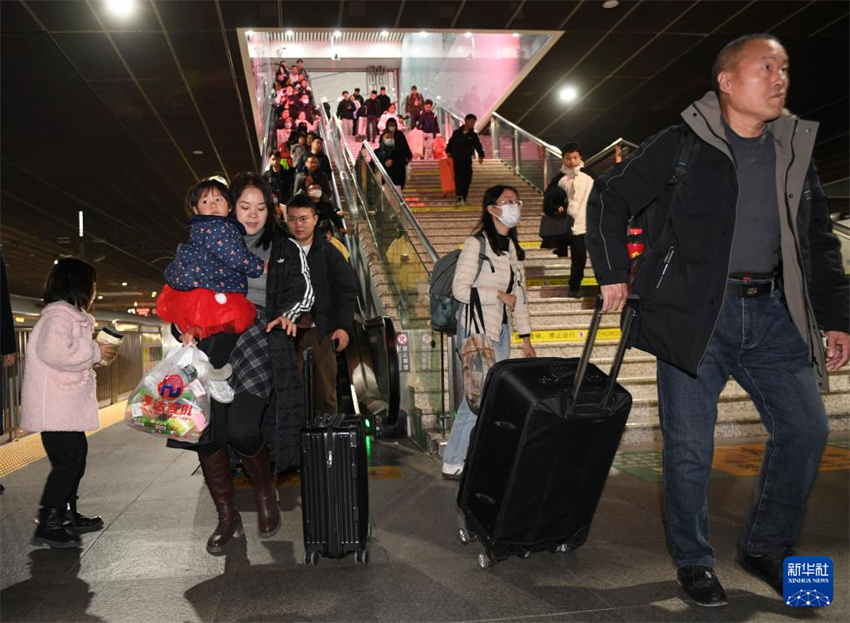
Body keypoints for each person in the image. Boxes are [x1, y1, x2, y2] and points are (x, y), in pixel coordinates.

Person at [585, 34, 850, 607]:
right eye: (765, 67)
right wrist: (611, 272)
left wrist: (836, 317)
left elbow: (818, 243)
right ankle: (695, 559)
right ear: (727, 82)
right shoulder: (681, 144)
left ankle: (766, 547)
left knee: (807, 431)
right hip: (696, 316)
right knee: (688, 449)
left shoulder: (793, 149)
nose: (780, 77)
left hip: (776, 314)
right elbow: (607, 196)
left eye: (784, 67)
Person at [185, 173, 313, 554]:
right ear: (230, 206)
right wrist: (186, 328)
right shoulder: (208, 241)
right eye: (244, 207)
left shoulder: (284, 247)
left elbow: (303, 290)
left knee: (243, 429)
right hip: (214, 340)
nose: (253, 215)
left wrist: (289, 312)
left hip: (259, 336)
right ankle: (227, 518)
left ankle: (264, 490)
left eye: (261, 207)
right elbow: (185, 292)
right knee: (207, 433)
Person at [21, 258, 119, 548]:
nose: (94, 291)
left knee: (77, 457)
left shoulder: (69, 316)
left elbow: (71, 357)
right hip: (54, 406)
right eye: (93, 285)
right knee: (68, 461)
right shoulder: (57, 316)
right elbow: (55, 353)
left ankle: (67, 515)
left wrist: (96, 354)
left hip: (67, 406)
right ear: (79, 285)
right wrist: (93, 349)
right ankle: (49, 522)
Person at [441, 185, 536, 479]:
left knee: (489, 397)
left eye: (516, 201)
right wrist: (495, 294)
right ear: (492, 209)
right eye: (507, 202)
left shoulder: (512, 251)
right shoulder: (476, 244)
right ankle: (453, 458)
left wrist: (527, 338)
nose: (514, 206)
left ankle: (479, 456)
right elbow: (460, 290)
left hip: (502, 333)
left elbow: (519, 297)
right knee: (477, 398)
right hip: (477, 331)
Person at [156, 178, 264, 344]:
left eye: (218, 200)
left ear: (229, 205)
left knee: (210, 339)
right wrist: (260, 266)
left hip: (198, 291)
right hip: (212, 290)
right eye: (206, 201)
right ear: (195, 209)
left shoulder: (201, 227)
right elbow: (235, 258)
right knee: (223, 338)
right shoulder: (219, 227)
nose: (213, 205)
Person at [285, 193, 358, 416]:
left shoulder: (328, 252)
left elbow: (346, 291)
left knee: (324, 394)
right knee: (289, 395)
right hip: (286, 334)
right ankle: (292, 447)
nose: (298, 225)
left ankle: (326, 447)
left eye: (304, 219)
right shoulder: (280, 251)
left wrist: (343, 327)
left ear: (315, 219)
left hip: (321, 332)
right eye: (293, 219)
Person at [545, 142, 592, 297]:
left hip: (586, 224)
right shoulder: (560, 179)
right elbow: (550, 198)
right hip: (567, 224)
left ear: (580, 158)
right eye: (568, 158)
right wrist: (556, 205)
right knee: (577, 258)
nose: (571, 161)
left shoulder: (589, 176)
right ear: (563, 159)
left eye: (575, 157)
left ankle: (578, 287)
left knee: (583, 258)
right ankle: (574, 287)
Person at [446, 113, 485, 206]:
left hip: (467, 159)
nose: (473, 124)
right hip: (457, 159)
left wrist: (481, 155)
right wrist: (448, 151)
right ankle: (459, 196)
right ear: (466, 121)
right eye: (471, 122)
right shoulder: (457, 133)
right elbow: (451, 142)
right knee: (458, 177)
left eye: (474, 122)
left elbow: (477, 145)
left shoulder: (473, 135)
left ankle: (464, 196)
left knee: (467, 178)